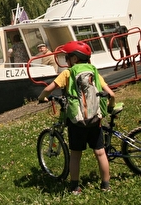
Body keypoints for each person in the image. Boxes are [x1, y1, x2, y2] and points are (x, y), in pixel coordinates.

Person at [38, 41, 116, 195]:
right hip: (95, 119)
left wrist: (41, 98)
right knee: (100, 153)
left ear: (74, 59)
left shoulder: (68, 73)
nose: (66, 61)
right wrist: (110, 106)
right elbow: (111, 94)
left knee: (75, 154)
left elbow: (48, 89)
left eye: (67, 58)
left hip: (76, 121)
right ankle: (106, 186)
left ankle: (75, 187)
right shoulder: (94, 71)